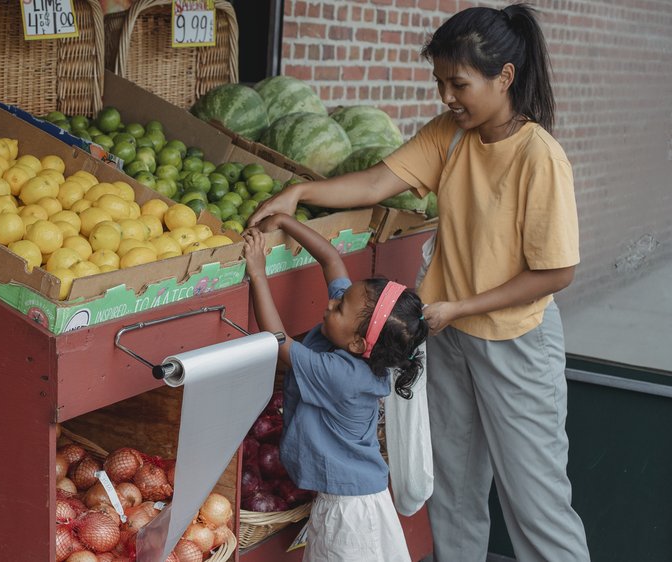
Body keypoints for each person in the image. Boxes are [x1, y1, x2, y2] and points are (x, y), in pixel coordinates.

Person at [248, 4, 589, 560]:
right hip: (447, 336)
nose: (447, 97)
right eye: (440, 83)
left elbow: (557, 272)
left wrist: (462, 306)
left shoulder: (539, 157)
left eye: (459, 83)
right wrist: (299, 195)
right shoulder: (450, 135)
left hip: (514, 342)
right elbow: (379, 180)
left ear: (505, 78)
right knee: (452, 490)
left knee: (536, 501)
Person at [243, 213, 428, 561]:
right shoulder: (355, 334)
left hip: (350, 514)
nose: (330, 304)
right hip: (349, 500)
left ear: (360, 343)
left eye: (339, 307)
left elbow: (278, 342)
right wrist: (286, 220)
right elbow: (331, 259)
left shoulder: (342, 373)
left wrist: (257, 272)